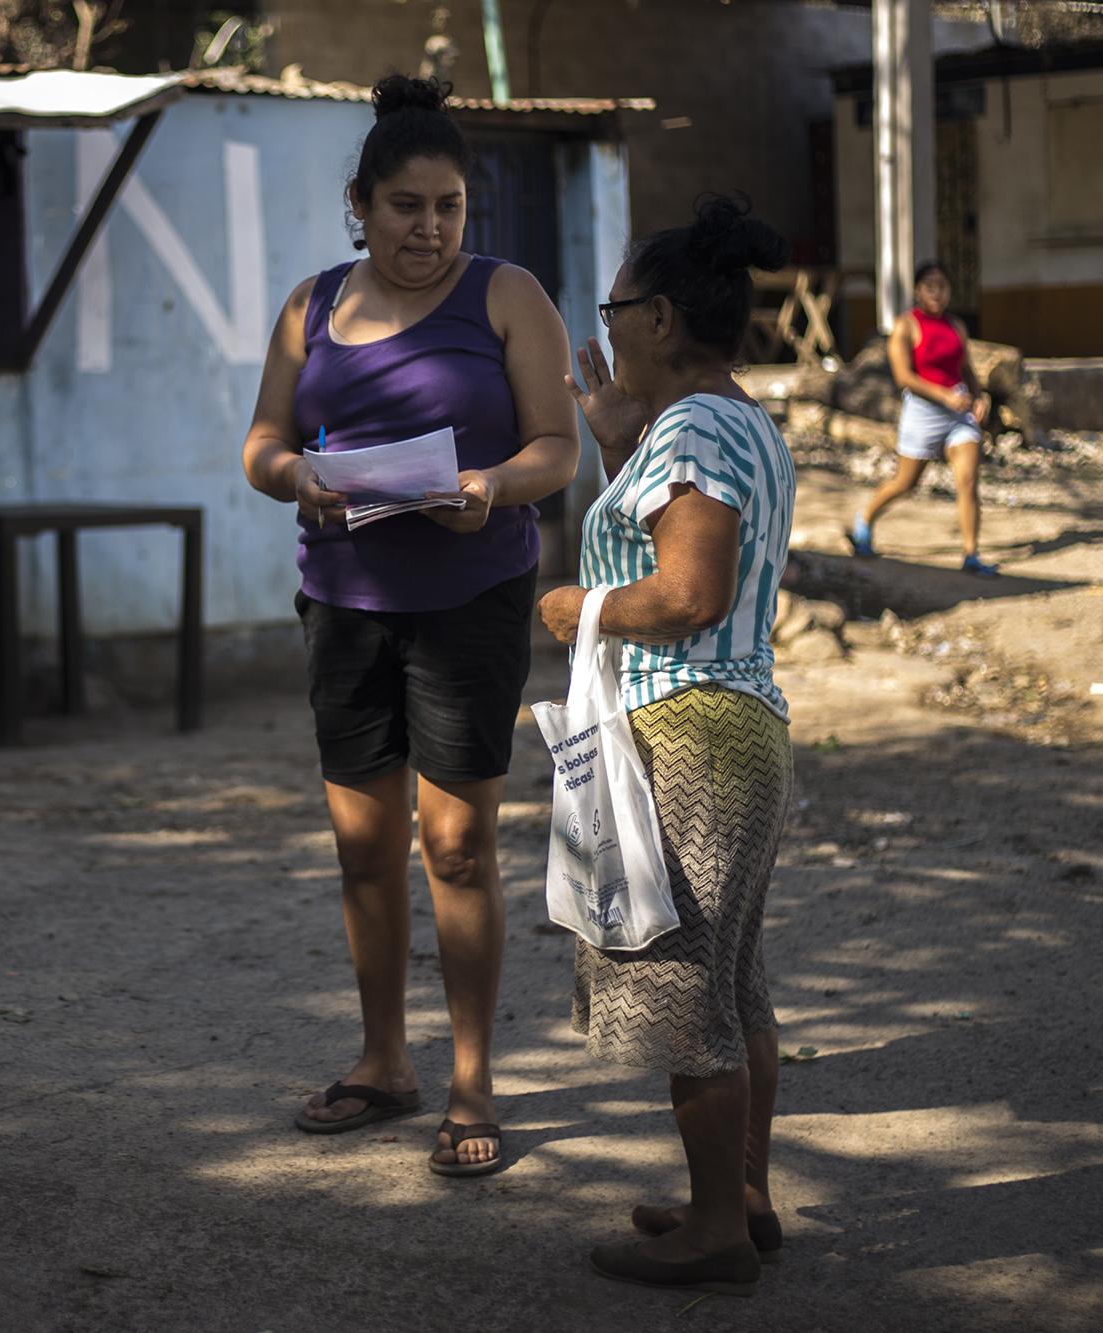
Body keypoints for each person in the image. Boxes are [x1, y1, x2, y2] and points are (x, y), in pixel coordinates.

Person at [240, 75, 580, 1175]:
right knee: (362, 849)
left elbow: (556, 450)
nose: (427, 228)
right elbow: (259, 445)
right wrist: (297, 476)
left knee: (457, 847)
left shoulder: (507, 297)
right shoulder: (308, 305)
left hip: (469, 607)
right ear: (358, 202)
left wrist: (484, 487)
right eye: (403, 206)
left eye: (447, 207)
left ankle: (472, 1082)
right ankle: (383, 1062)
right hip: (344, 605)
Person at [540, 194, 796, 1297]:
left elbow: (685, 591)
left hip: (687, 727)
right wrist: (615, 448)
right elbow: (694, 556)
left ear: (655, 319)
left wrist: (575, 608)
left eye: (613, 308)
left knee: (685, 988)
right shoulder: (727, 421)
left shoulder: (693, 429)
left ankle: (713, 1234)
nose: (605, 330)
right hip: (732, 725)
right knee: (732, 984)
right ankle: (733, 1197)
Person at [848, 260, 999, 576]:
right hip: (923, 412)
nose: (937, 292)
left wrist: (980, 395)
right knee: (906, 482)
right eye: (930, 286)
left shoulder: (956, 325)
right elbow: (904, 377)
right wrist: (944, 395)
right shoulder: (905, 326)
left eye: (943, 286)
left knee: (968, 481)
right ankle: (865, 521)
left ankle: (971, 556)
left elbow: (967, 369)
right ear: (917, 290)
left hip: (959, 413)